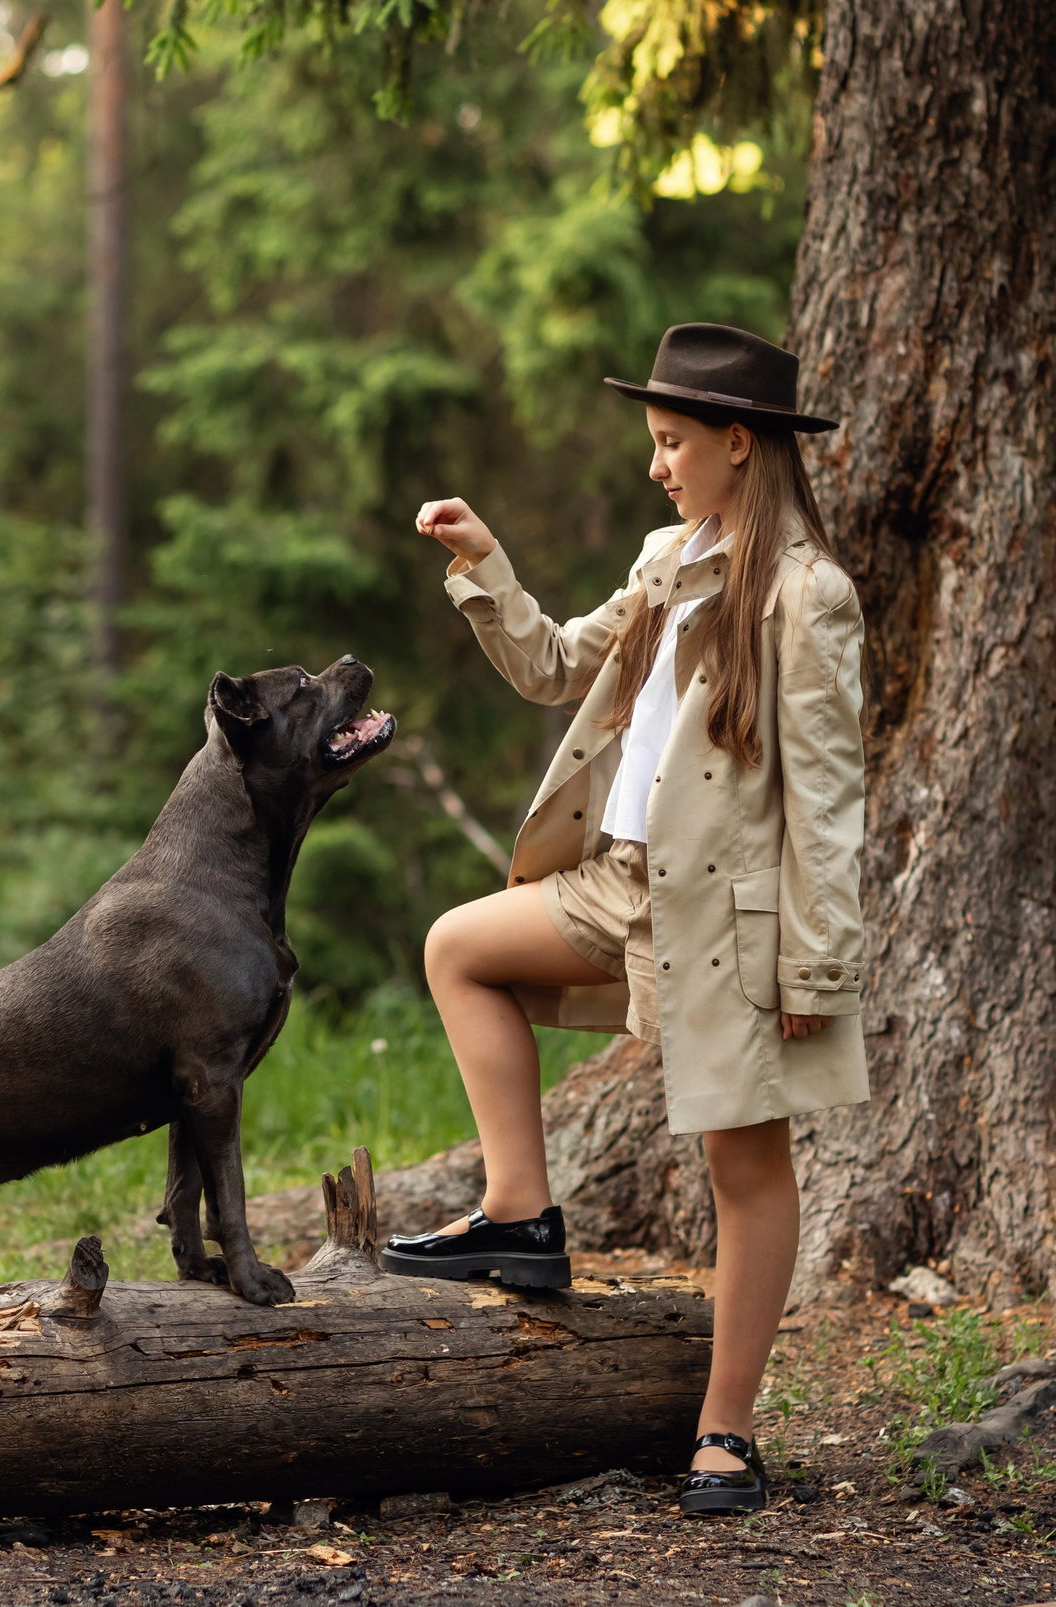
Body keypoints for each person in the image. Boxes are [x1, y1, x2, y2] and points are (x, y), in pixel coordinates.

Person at [383, 323, 869, 1518]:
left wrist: (816, 966)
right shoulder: (665, 558)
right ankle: (518, 1213)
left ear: (738, 446)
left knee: (741, 1165)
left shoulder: (809, 597)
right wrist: (484, 563)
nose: (656, 464)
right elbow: (555, 668)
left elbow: (828, 797)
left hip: (726, 916)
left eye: (671, 443)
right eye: (653, 443)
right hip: (617, 883)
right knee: (460, 948)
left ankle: (727, 1432)